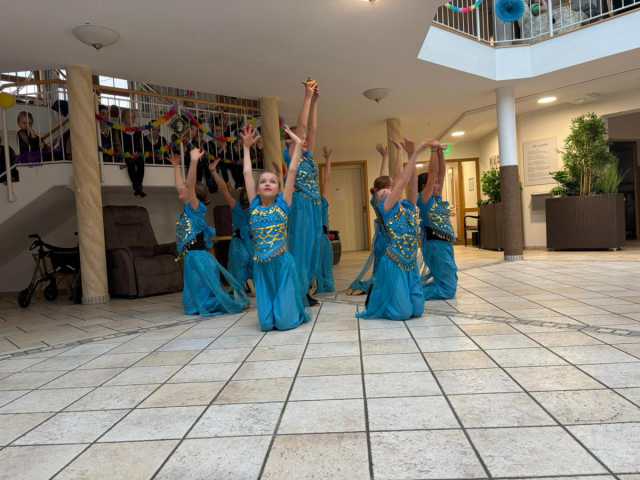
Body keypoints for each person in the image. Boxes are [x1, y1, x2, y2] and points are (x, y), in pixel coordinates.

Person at [243, 124, 309, 331]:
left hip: (282, 264)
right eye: (263, 181)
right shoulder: (254, 206)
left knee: (284, 323)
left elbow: (292, 171)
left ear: (279, 189)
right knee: (265, 324)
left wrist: (297, 144)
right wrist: (246, 148)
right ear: (257, 189)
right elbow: (247, 173)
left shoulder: (283, 205)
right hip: (261, 266)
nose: (267, 183)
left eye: (272, 181)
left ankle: (290, 312)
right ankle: (273, 314)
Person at [171, 147, 248, 316]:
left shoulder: (195, 207)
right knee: (193, 298)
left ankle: (218, 302)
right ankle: (200, 303)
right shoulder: (189, 209)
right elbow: (181, 186)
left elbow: (189, 184)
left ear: (192, 194)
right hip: (192, 257)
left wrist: (193, 161)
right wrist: (176, 166)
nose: (180, 190)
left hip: (199, 257)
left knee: (204, 296)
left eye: (184, 190)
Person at [357, 138, 428, 321]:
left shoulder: (407, 206)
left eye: (389, 188)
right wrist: (414, 153)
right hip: (394, 261)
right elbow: (401, 181)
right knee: (402, 313)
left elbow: (411, 183)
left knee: (418, 310)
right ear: (376, 193)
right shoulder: (385, 208)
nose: (387, 191)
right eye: (382, 190)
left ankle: (390, 294)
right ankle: (384, 300)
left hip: (410, 262)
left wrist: (408, 154)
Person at [284, 78, 322, 306]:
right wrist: (307, 98)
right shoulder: (293, 155)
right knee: (301, 248)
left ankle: (305, 288)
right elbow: (304, 127)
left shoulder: (308, 156)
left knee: (312, 249)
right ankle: (297, 292)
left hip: (314, 206)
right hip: (301, 206)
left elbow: (313, 130)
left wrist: (316, 101)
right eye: (300, 139)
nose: (305, 140)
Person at [348, 143, 392, 294]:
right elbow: (383, 180)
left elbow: (382, 178)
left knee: (382, 266)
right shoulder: (383, 198)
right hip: (387, 237)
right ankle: (378, 287)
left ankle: (380, 285)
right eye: (390, 186)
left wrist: (385, 157)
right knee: (385, 265)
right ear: (386, 188)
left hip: (382, 236)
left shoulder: (377, 196)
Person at [418, 142, 458, 300]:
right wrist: (433, 150)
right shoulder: (424, 199)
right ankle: (411, 294)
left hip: (445, 245)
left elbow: (441, 174)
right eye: (433, 183)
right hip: (435, 246)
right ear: (425, 186)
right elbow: (434, 173)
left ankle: (413, 290)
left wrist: (441, 153)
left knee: (449, 281)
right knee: (448, 290)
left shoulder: (436, 198)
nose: (437, 185)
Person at [210, 157, 254, 291]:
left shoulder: (251, 207)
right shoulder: (241, 207)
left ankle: (242, 288)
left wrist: (214, 172)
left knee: (247, 267)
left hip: (248, 243)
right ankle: (240, 288)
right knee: (242, 267)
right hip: (242, 244)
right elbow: (224, 189)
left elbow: (224, 189)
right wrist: (214, 172)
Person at [315, 146, 335, 293]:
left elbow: (327, 181)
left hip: (322, 239)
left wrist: (328, 160)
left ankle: (325, 285)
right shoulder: (302, 204)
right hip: (310, 240)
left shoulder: (322, 202)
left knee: (325, 265)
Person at [121, 110, 146, 197]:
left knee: (141, 162)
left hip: (136, 153)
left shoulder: (137, 131)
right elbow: (120, 145)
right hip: (126, 154)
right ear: (124, 119)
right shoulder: (121, 130)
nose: (131, 119)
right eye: (129, 117)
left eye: (133, 117)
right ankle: (137, 187)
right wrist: (127, 154)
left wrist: (138, 153)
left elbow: (140, 144)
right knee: (130, 163)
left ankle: (138, 186)